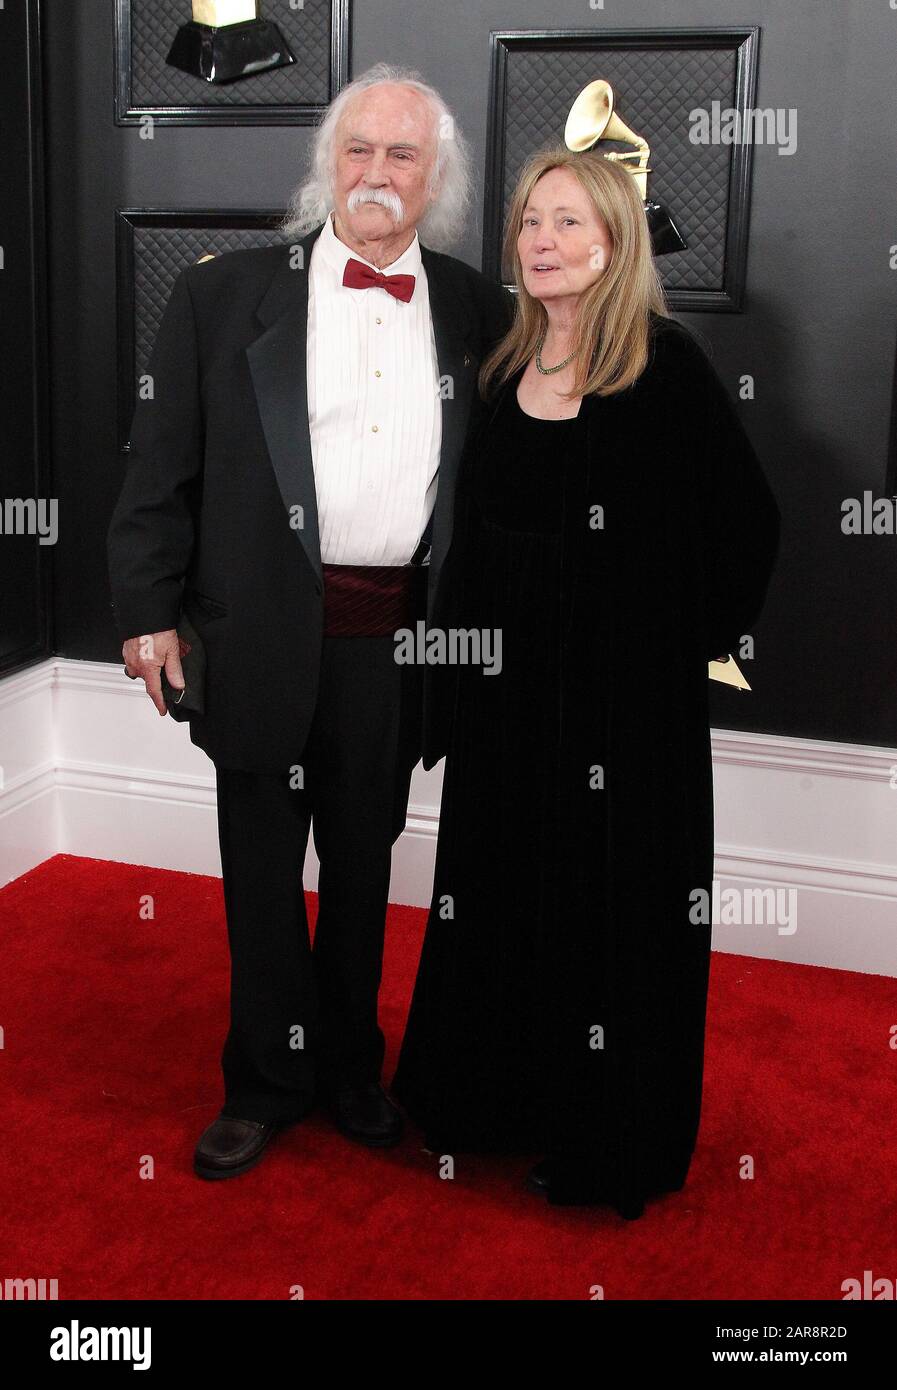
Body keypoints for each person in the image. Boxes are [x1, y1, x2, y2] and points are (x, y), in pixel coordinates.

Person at [107, 63, 513, 1180]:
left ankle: (349, 1071)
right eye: (358, 150)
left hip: (397, 645)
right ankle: (264, 1082)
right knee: (258, 869)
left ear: (438, 182)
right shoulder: (225, 293)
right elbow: (159, 470)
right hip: (256, 637)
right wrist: (146, 611)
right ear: (328, 163)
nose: (376, 174)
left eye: (403, 156)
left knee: (365, 867)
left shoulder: (481, 308)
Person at [392, 145, 781, 1220]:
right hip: (508, 705)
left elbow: (746, 529)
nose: (543, 243)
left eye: (568, 223)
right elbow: (471, 547)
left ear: (615, 241)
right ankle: (496, 1100)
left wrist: (662, 647)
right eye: (529, 224)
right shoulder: (500, 368)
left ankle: (607, 1138)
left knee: (616, 917)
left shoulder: (667, 367)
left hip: (626, 714)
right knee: (505, 892)